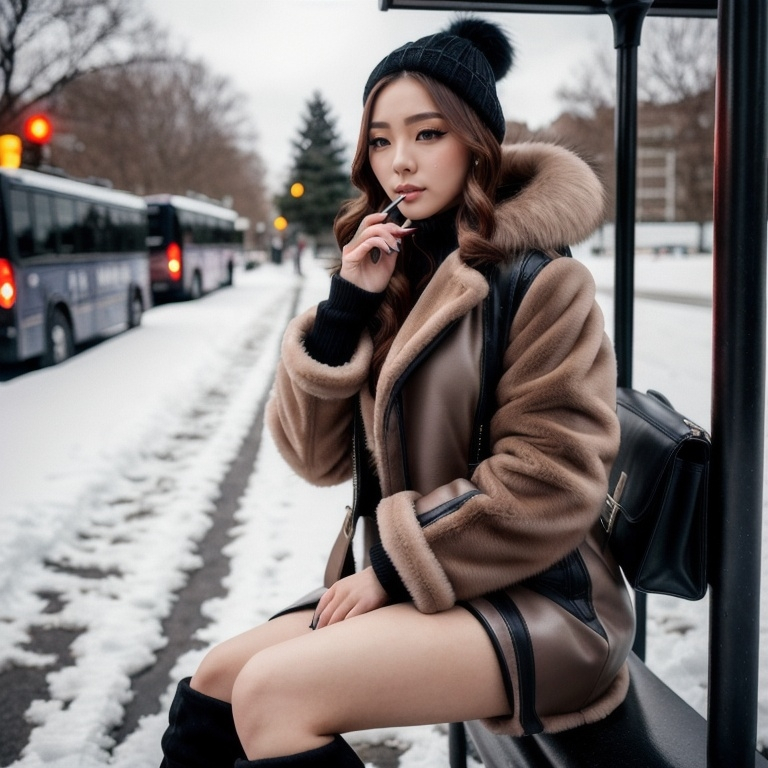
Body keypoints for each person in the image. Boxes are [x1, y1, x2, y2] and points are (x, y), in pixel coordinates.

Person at [158, 16, 635, 767]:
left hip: (546, 600)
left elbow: (551, 481)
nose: (399, 163)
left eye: (426, 134)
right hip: (439, 585)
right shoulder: (394, 269)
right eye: (381, 140)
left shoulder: (543, 283)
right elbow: (314, 459)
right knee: (218, 681)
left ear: (476, 140)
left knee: (272, 695)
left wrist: (390, 569)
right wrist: (347, 307)